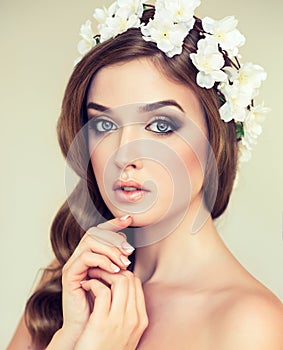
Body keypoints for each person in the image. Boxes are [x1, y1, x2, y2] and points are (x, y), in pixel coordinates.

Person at [8, 1, 283, 349]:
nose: (124, 154)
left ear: (216, 140)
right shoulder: (73, 274)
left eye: (161, 125)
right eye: (104, 124)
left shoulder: (250, 324)